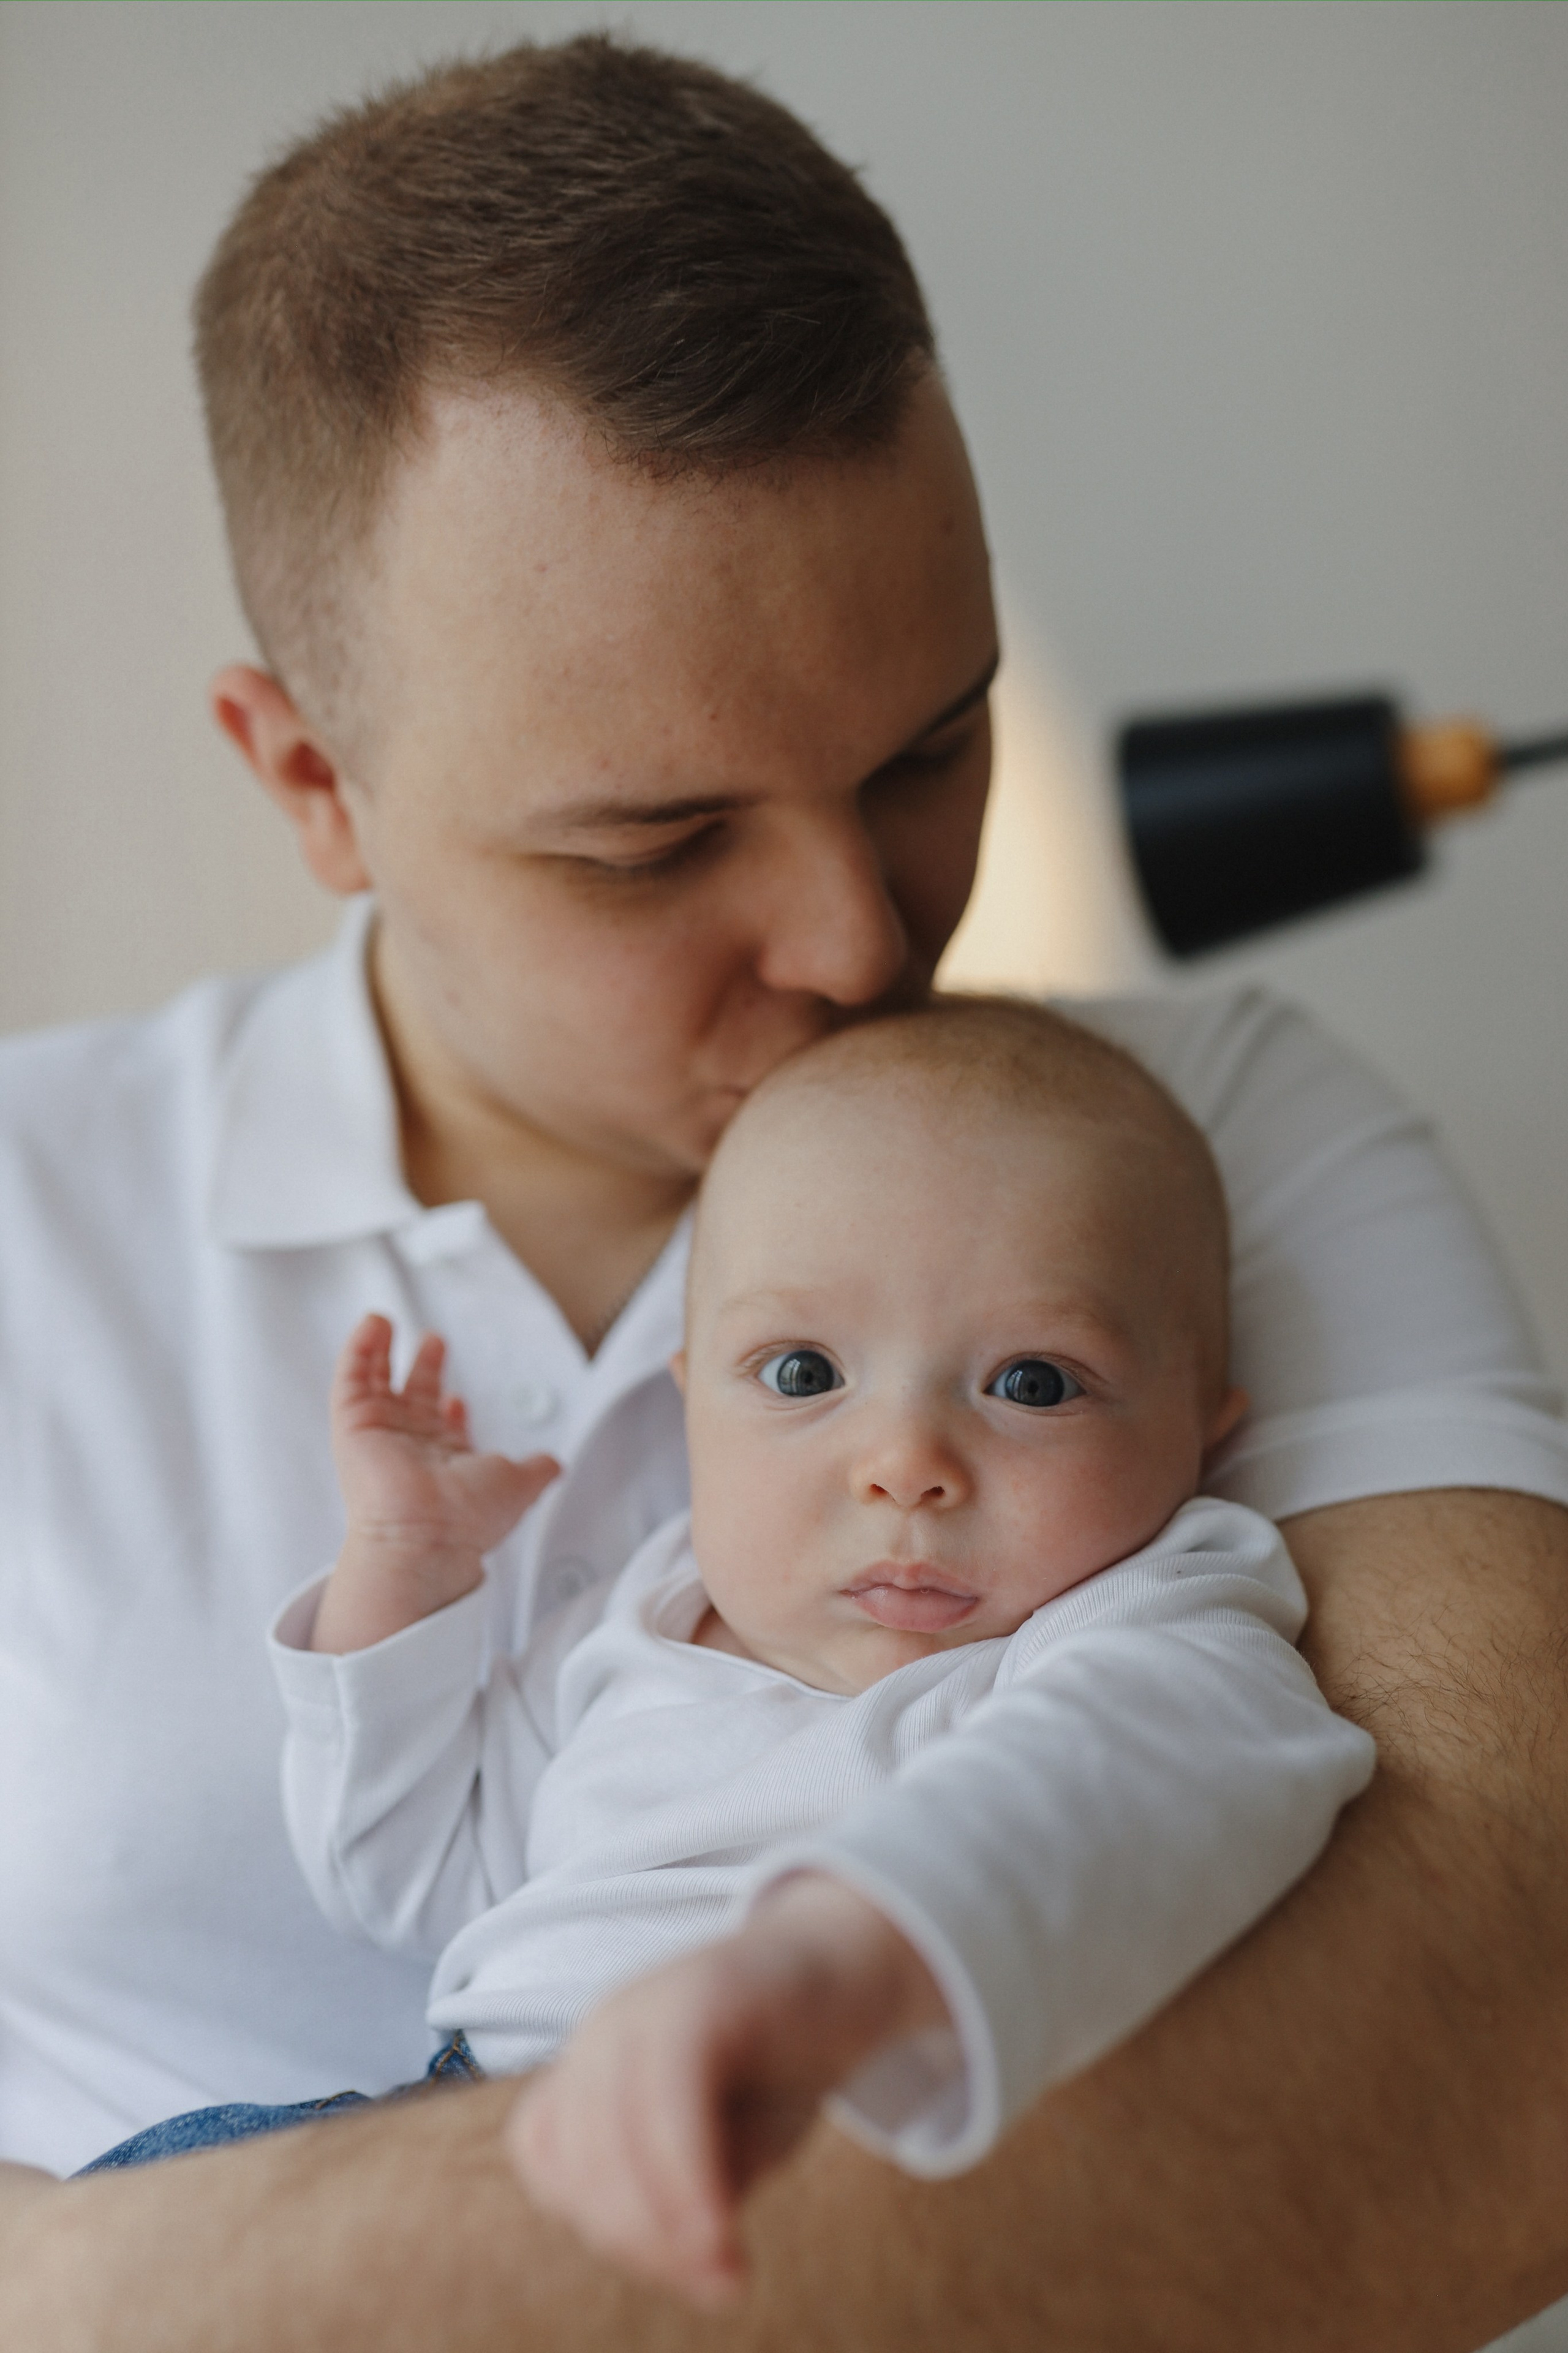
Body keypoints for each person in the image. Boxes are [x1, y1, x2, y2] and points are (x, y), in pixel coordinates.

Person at [2, 32, 1568, 2353]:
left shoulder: (1213, 1139)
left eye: (933, 746)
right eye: (660, 843)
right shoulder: (33, 1217)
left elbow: (1506, 2034)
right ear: (312, 778)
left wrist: (90, 2285)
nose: (859, 942)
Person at [78, 1000, 1374, 2310]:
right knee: (144, 2220)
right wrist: (402, 1575)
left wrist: (838, 1961)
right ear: (690, 1394)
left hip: (804, 2175)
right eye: (804, 1372)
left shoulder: (1144, 1621)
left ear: (1201, 1427)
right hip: (461, 2125)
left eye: (1032, 1382)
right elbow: (411, 1876)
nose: (904, 1464)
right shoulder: (649, 1618)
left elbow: (1137, 1781)